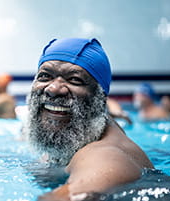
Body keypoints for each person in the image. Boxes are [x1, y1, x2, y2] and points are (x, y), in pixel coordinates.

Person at [26, 38, 154, 200]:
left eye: (74, 79)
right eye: (45, 76)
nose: (53, 88)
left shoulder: (106, 158)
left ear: (99, 98)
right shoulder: (88, 131)